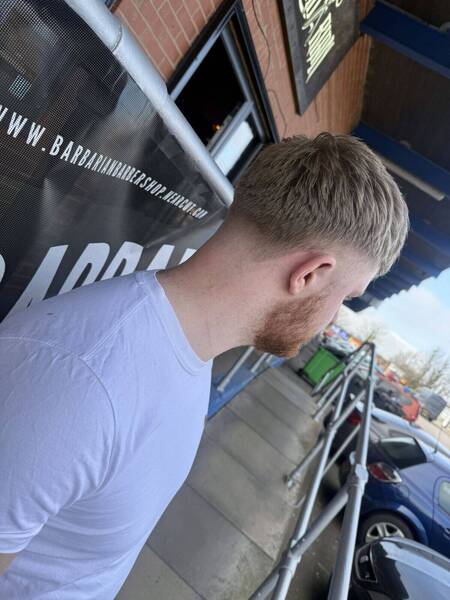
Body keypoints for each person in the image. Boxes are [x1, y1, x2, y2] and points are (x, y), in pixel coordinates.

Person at [0, 132, 409, 598]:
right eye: (346, 298)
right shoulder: (80, 381)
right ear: (310, 274)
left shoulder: (184, 352)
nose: (333, 319)